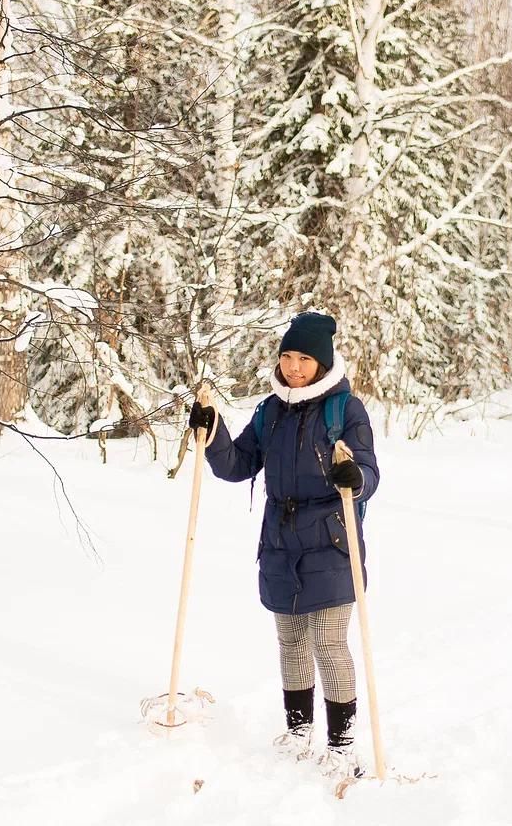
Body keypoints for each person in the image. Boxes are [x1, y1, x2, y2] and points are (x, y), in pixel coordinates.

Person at [188, 312, 379, 778]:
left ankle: (343, 745)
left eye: (304, 359)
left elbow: (370, 473)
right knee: (290, 640)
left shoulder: (345, 411)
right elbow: (237, 465)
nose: (293, 367)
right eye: (287, 356)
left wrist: (355, 477)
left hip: (332, 541)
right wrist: (212, 431)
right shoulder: (270, 411)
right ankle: (298, 731)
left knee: (328, 643)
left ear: (322, 362)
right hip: (279, 543)